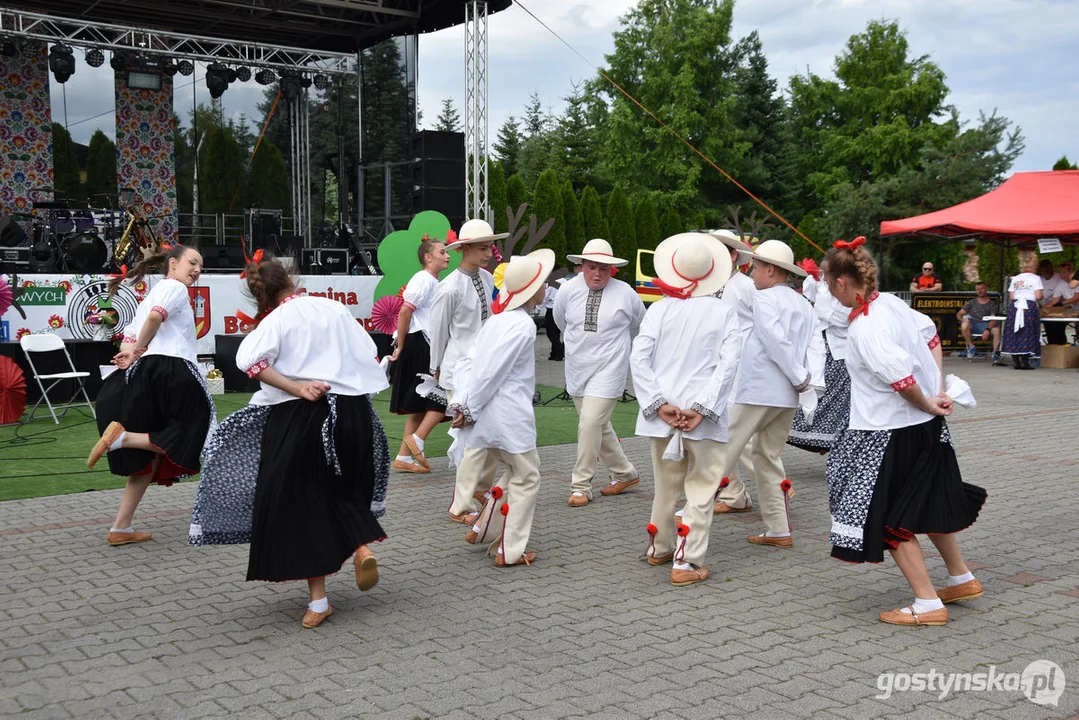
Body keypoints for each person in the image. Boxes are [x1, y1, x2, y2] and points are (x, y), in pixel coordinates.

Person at [190, 257, 390, 629]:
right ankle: (360, 544)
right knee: (341, 488)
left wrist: (298, 385)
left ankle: (319, 601)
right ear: (291, 280)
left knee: (301, 505)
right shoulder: (334, 307)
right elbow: (370, 352)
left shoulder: (277, 320)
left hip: (302, 415)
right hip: (352, 413)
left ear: (260, 296)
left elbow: (249, 361)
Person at [823, 237, 986, 627]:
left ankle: (928, 603)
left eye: (830, 285)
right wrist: (937, 390)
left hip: (887, 432)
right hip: (921, 428)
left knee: (887, 517)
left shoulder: (865, 327)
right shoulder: (891, 302)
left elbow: (900, 378)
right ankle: (961, 577)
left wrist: (929, 399)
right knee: (925, 503)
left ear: (844, 283)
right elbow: (930, 336)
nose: (830, 292)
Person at [87, 244, 215, 546]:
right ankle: (123, 439)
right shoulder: (174, 288)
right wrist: (139, 350)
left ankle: (121, 527)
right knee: (199, 430)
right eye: (192, 263)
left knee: (150, 454)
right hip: (173, 370)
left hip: (144, 374)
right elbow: (156, 318)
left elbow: (128, 340)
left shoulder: (149, 297)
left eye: (200, 266)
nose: (197, 270)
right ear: (173, 264)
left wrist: (130, 353)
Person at [630, 233, 739, 586]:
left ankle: (659, 547)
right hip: (701, 417)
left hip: (665, 412)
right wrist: (701, 408)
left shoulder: (659, 309)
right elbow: (728, 365)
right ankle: (686, 561)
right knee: (702, 488)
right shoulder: (725, 312)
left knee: (666, 485)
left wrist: (660, 404)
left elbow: (639, 358)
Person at [448, 249, 555, 567]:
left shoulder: (499, 320)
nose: (546, 287)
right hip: (506, 415)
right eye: (543, 283)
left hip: (491, 414)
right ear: (532, 288)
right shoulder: (521, 325)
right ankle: (510, 549)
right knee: (527, 477)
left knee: (519, 471)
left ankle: (485, 527)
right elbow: (489, 371)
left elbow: (473, 363)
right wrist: (470, 409)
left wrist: (465, 405)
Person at [715, 239, 814, 547]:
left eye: (756, 267)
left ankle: (692, 513)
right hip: (786, 395)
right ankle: (778, 529)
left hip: (759, 389)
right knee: (766, 456)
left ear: (771, 270)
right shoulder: (803, 303)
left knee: (721, 448)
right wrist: (807, 383)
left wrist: (800, 379)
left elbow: (775, 341)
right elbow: (813, 347)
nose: (752, 272)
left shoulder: (765, 300)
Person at [554, 238, 646, 507]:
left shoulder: (626, 292)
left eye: (604, 268)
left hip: (610, 368)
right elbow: (561, 322)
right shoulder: (567, 290)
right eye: (592, 267)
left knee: (590, 423)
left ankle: (581, 485)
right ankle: (626, 473)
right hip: (577, 368)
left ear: (612, 269)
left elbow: (639, 325)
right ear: (581, 266)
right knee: (598, 426)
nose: (597, 273)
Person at [428, 219, 504, 523]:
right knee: (466, 437)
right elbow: (438, 332)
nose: (488, 253)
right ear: (465, 248)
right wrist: (435, 369)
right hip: (458, 371)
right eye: (483, 248)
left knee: (487, 433)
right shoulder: (448, 287)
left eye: (489, 247)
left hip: (485, 368)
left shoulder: (487, 279)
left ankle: (478, 489)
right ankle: (460, 504)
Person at [389, 235, 451, 472]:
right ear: (428, 257)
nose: (447, 256)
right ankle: (417, 440)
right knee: (441, 398)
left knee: (419, 404)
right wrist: (401, 345)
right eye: (442, 252)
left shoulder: (433, 281)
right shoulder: (423, 279)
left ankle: (404, 457)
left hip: (423, 342)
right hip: (419, 344)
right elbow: (405, 312)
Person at [787, 257, 852, 454]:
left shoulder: (847, 290)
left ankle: (829, 438)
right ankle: (817, 436)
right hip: (823, 345)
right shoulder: (826, 286)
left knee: (834, 394)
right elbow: (813, 296)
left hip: (840, 349)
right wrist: (813, 278)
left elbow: (839, 317)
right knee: (819, 388)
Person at [1001, 266, 1044, 369]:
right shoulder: (1035, 278)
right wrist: (1042, 297)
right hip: (1028, 307)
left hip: (1015, 306)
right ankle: (1025, 362)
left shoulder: (1015, 278)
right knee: (1027, 333)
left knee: (1014, 333)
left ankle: (1016, 362)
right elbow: (1038, 296)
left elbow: (1011, 296)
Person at [957, 282, 1001, 360]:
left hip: (986, 325)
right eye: (977, 289)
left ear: (986, 289)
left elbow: (993, 319)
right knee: (964, 324)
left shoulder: (992, 304)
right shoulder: (971, 302)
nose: (980, 291)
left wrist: (987, 329)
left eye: (982, 289)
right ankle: (971, 347)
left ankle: (995, 353)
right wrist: (962, 319)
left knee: (997, 329)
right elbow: (959, 314)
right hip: (973, 324)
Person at [1037, 259, 1075, 345]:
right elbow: (1054, 300)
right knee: (1051, 323)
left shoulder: (1076, 281)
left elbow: (1076, 298)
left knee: (1058, 325)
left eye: (1064, 272)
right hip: (1066, 309)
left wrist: (1062, 303)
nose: (1062, 275)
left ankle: (1060, 344)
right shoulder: (1061, 284)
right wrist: (1044, 309)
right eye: (1060, 272)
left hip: (1071, 309)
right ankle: (1055, 345)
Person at [543, 284, 564, 360]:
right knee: (556, 333)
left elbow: (544, 298)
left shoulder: (550, 287)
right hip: (560, 310)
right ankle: (554, 353)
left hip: (551, 310)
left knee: (551, 333)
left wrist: (538, 309)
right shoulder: (562, 284)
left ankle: (560, 351)